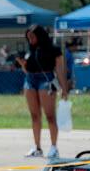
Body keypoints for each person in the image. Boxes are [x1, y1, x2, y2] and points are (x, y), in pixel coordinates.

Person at [18, 24, 68, 159]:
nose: (30, 40)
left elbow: (60, 70)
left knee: (50, 116)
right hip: (30, 80)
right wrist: (23, 64)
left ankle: (54, 147)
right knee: (34, 115)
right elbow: (27, 70)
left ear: (40, 36)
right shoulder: (30, 50)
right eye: (28, 37)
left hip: (46, 80)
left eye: (32, 37)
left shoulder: (53, 49)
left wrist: (64, 88)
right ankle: (37, 147)